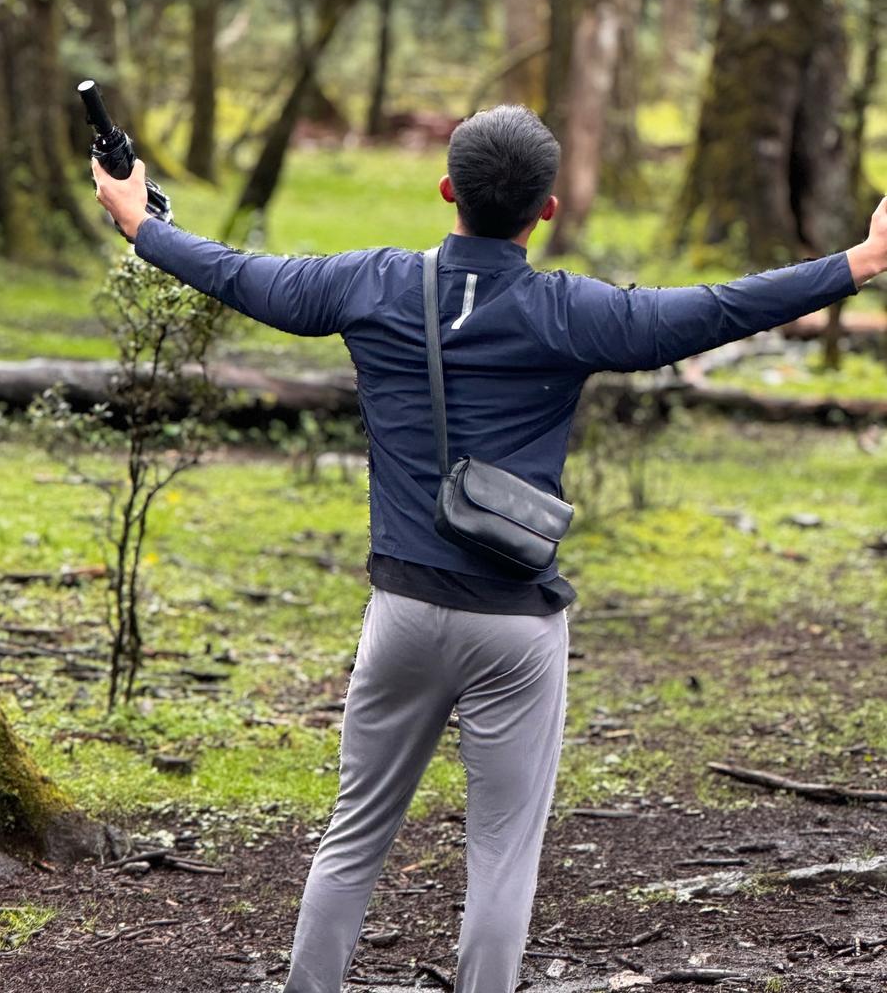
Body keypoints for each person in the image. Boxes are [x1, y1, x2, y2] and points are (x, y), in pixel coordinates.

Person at [91, 105, 887, 993]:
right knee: (502, 857)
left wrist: (140, 224)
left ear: (446, 192)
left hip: (399, 614)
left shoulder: (371, 284)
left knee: (353, 837)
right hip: (515, 625)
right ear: (546, 210)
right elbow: (714, 310)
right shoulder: (571, 311)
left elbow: (243, 276)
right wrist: (863, 260)